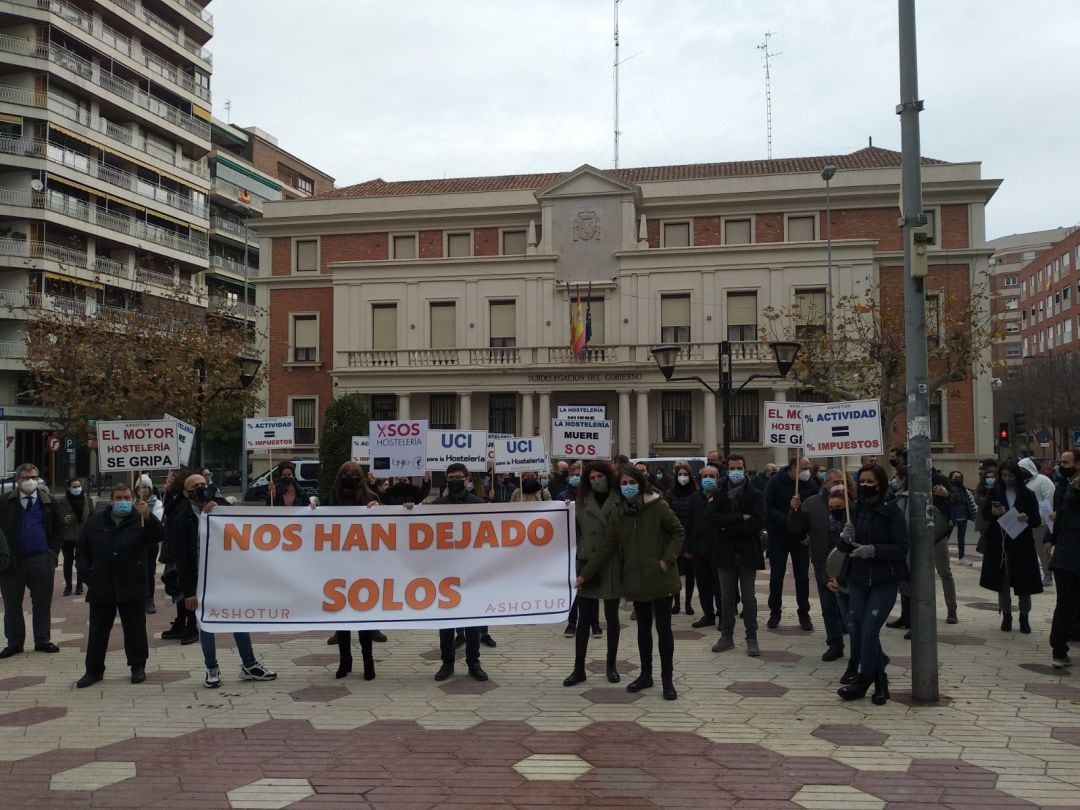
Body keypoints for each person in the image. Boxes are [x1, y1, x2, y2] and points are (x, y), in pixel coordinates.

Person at [576, 465, 685, 700]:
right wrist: (585, 574)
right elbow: (607, 546)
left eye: (631, 483)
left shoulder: (658, 505)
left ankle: (668, 679)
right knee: (643, 629)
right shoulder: (619, 513)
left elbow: (678, 532)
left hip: (660, 578)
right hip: (635, 580)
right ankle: (646, 674)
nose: (627, 487)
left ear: (640, 483)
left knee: (663, 629)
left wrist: (667, 560)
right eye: (623, 484)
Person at [175, 472, 277, 688]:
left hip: (227, 576)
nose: (202, 488)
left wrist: (217, 505)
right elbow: (181, 558)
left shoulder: (221, 507)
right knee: (208, 623)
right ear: (186, 493)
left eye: (204, 484)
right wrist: (188, 591)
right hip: (201, 579)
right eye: (196, 486)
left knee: (237, 617)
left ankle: (249, 664)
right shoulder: (181, 518)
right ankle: (211, 668)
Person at [75, 483, 163, 688]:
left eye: (126, 498)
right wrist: (87, 574)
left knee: (135, 630)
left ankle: (138, 666)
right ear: (111, 500)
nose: (122, 501)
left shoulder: (140, 519)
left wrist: (148, 518)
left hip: (132, 584)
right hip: (101, 586)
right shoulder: (95, 522)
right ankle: (94, 670)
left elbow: (158, 537)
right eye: (118, 498)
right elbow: (82, 550)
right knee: (98, 632)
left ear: (133, 499)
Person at [834, 463, 908, 705]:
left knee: (869, 632)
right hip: (857, 578)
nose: (865, 486)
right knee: (857, 629)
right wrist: (845, 538)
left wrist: (874, 550)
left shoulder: (891, 511)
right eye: (862, 481)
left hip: (883, 580)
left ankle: (863, 680)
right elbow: (846, 548)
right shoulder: (854, 509)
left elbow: (901, 547)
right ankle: (880, 679)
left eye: (870, 482)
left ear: (881, 484)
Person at [316, 462, 382, 680]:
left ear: (360, 478)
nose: (349, 480)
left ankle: (368, 662)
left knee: (363, 617)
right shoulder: (330, 498)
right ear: (340, 477)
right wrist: (312, 505)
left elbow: (388, 522)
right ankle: (345, 661)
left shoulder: (370, 497)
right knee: (342, 618)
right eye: (346, 476)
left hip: (364, 566)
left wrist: (378, 509)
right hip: (338, 567)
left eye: (353, 476)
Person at [563, 461, 623, 686]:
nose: (596, 480)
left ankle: (611, 666)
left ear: (608, 476)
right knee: (584, 619)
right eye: (592, 477)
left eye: (600, 475)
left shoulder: (620, 499)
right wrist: (565, 509)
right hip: (587, 563)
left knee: (612, 617)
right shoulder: (580, 502)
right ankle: (579, 669)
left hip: (612, 563)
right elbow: (570, 530)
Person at [0, 463, 63, 658]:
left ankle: (42, 639)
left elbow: (60, 530)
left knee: (42, 602)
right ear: (17, 480)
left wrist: (52, 554)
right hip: (13, 562)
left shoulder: (49, 502)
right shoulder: (4, 502)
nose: (29, 481)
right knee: (12, 604)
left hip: (41, 559)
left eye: (33, 477)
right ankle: (14, 642)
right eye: (25, 477)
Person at [433, 463, 489, 682]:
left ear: (467, 479)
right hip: (445, 572)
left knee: (472, 620)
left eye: (458, 477)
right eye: (450, 477)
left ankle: (474, 663)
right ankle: (447, 663)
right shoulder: (437, 505)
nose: (454, 480)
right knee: (446, 621)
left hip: (471, 571)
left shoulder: (479, 505)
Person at [788, 468, 851, 661]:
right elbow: (796, 528)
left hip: (849, 562)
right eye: (834, 482)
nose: (838, 485)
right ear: (825, 484)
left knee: (850, 604)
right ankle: (834, 643)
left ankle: (856, 639)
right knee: (828, 605)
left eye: (842, 481)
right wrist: (795, 511)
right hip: (822, 560)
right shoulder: (812, 503)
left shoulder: (852, 503)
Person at [709, 455, 765, 657]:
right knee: (726, 598)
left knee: (749, 598)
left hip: (747, 552)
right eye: (732, 467)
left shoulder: (756, 494)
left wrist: (728, 525)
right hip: (725, 553)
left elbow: (758, 522)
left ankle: (752, 637)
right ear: (726, 469)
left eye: (739, 467)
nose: (735, 471)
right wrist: (740, 517)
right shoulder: (718, 493)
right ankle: (727, 636)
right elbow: (713, 519)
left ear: (745, 469)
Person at [980, 460, 1042, 633]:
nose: (1007, 479)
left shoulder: (1027, 494)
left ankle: (1024, 616)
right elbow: (985, 514)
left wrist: (1026, 517)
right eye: (1004, 475)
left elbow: (1036, 519)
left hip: (1022, 544)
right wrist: (993, 513)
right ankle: (1006, 615)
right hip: (1001, 542)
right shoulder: (995, 493)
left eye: (1011, 475)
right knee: (1003, 581)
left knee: (1024, 581)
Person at [763, 455, 818, 630]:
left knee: (802, 576)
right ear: (793, 467)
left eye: (808, 467)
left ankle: (804, 613)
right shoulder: (775, 482)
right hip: (779, 536)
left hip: (800, 538)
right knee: (776, 576)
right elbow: (767, 507)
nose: (806, 472)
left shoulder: (810, 484)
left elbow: (814, 509)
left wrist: (802, 514)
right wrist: (786, 517)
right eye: (803, 468)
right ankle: (774, 612)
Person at [1048, 449, 1079, 668]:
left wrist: (1051, 539)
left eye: (1066, 463)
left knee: (1065, 604)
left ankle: (1059, 648)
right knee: (1066, 604)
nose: (1061, 466)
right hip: (1069, 554)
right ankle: (1060, 648)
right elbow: (1058, 515)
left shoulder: (1066, 487)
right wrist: (1050, 538)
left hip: (1064, 555)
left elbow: (1058, 516)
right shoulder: (1066, 487)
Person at [689, 465, 722, 629]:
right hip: (698, 548)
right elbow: (688, 524)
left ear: (717, 478)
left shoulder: (722, 496)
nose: (708, 479)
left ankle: (723, 616)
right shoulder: (695, 498)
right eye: (705, 476)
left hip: (718, 548)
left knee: (720, 586)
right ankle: (708, 614)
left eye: (711, 476)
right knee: (703, 585)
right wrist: (687, 548)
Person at [1019, 457, 1057, 587]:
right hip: (1025, 522)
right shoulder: (1022, 483)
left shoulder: (1043, 481)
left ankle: (1048, 576)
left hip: (1042, 522)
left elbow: (1050, 500)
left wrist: (1039, 517)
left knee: (1043, 551)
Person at [666, 461, 697, 616]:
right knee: (675, 573)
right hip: (674, 538)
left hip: (690, 538)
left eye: (685, 474)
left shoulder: (695, 493)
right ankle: (676, 603)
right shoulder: (670, 493)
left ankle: (688, 603)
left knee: (690, 574)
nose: (683, 477)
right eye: (680, 474)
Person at [57, 477, 93, 597]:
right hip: (67, 535)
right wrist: (63, 520)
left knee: (81, 561)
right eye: (74, 487)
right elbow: (55, 518)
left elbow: (92, 517)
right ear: (69, 488)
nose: (77, 489)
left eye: (79, 486)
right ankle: (68, 586)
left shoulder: (87, 500)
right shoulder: (61, 501)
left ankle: (79, 585)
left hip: (83, 535)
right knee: (68, 561)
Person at [134, 475, 164, 614]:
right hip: (134, 542)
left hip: (150, 543)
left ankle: (149, 599)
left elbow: (157, 521)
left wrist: (146, 515)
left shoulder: (157, 504)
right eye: (140, 487)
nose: (143, 490)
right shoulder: (132, 503)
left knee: (149, 571)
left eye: (146, 487)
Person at [948, 471, 977, 566]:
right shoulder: (948, 488)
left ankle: (961, 557)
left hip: (963, 517)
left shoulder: (963, 489)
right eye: (955, 476)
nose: (957, 478)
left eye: (959, 477)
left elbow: (969, 502)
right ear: (951, 477)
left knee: (961, 538)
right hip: (952, 516)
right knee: (945, 537)